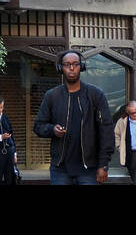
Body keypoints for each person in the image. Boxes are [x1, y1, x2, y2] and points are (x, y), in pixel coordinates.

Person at [33, 50, 114, 184]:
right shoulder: (52, 96)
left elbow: (106, 131)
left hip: (89, 169)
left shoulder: (95, 95)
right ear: (60, 68)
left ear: (81, 67)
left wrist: (103, 164)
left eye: (75, 64)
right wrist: (53, 129)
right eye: (67, 64)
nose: (71, 68)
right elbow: (38, 126)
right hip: (60, 169)